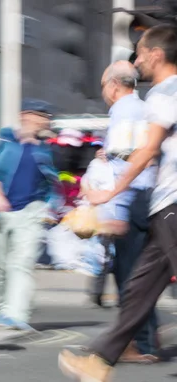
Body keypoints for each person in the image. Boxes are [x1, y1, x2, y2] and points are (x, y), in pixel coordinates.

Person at [58, 24, 177, 381]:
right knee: (139, 289)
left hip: (171, 203)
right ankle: (99, 361)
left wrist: (111, 192)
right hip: (162, 204)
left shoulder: (161, 93)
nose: (137, 59)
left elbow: (147, 150)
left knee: (139, 286)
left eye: (140, 52)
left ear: (156, 54)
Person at [93, 60, 159, 362]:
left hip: (132, 200)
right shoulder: (140, 109)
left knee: (130, 275)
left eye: (104, 85)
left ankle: (139, 344)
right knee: (142, 273)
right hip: (148, 198)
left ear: (115, 86)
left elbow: (124, 165)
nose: (104, 92)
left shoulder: (122, 112)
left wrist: (115, 212)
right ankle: (147, 338)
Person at [0, 99, 62, 331]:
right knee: (0, 266)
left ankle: (16, 315)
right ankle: (2, 308)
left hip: (31, 212)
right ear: (26, 115)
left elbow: (53, 181)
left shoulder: (46, 149)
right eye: (41, 116)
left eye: (47, 118)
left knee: (22, 263)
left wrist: (51, 205)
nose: (46, 121)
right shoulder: (3, 140)